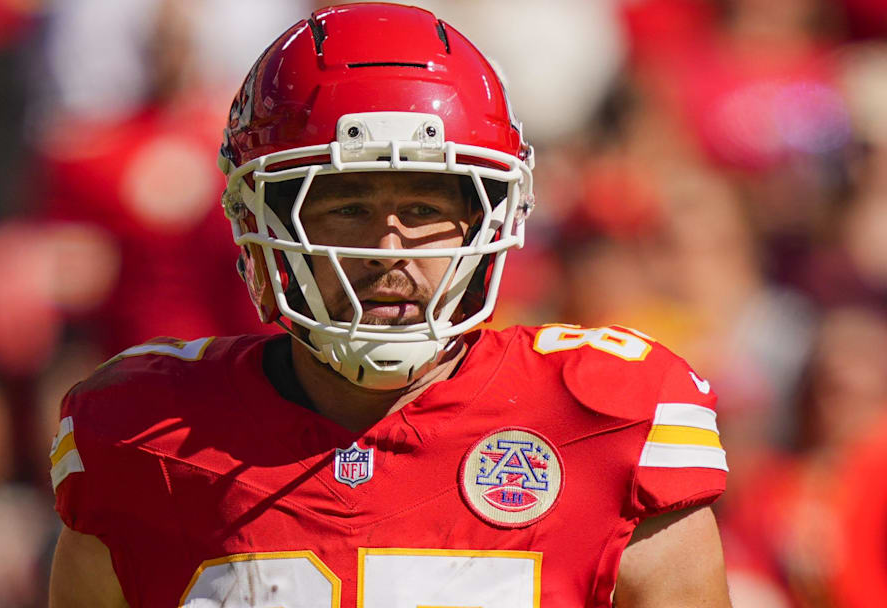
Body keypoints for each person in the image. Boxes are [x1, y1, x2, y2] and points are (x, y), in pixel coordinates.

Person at [46, 4, 732, 607]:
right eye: (346, 206)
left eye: (425, 206)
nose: (389, 247)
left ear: (489, 218)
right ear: (263, 221)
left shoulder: (608, 419)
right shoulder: (144, 439)